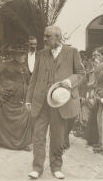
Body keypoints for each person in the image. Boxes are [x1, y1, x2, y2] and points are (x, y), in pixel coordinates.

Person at [26, 26, 85, 179]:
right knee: (38, 136)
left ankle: (56, 167)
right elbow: (34, 78)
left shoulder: (72, 52)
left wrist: (69, 81)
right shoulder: (41, 54)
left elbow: (81, 73)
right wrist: (28, 99)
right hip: (41, 103)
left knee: (58, 137)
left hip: (60, 102)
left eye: (47, 36)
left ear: (57, 37)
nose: (44, 39)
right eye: (44, 36)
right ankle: (37, 168)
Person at [0, 44, 33, 151]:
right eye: (21, 55)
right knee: (7, 117)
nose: (24, 57)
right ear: (15, 56)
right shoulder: (6, 65)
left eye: (24, 55)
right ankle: (4, 140)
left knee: (26, 115)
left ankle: (22, 141)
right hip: (8, 96)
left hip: (22, 97)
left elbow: (29, 80)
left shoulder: (24, 66)